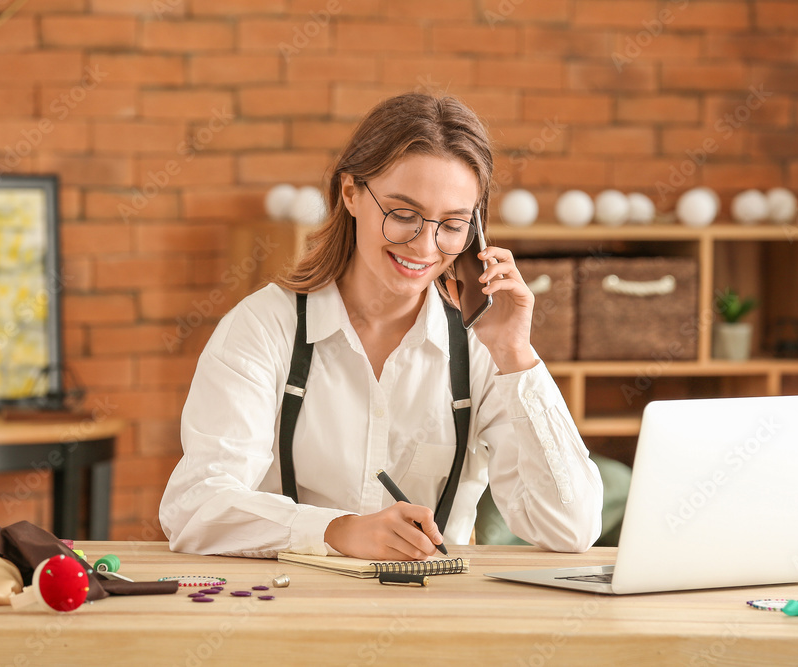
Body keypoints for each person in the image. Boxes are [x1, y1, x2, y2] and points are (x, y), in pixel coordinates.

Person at [160, 92, 604, 561]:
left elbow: (570, 529)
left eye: (452, 224)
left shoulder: (481, 345)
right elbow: (195, 508)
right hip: (290, 612)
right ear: (350, 193)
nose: (425, 246)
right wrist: (336, 530)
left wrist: (516, 357)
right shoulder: (263, 328)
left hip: (436, 618)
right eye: (404, 215)